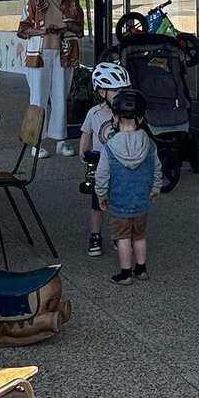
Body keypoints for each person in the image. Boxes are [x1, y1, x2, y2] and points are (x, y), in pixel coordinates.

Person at [93, 87, 161, 285]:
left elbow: (102, 175)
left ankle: (125, 273)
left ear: (115, 117)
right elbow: (157, 168)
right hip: (141, 202)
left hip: (119, 203)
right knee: (139, 237)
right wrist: (155, 188)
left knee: (123, 238)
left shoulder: (110, 147)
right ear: (140, 118)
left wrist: (101, 195)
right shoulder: (149, 144)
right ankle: (141, 269)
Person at [17, 0, 85, 159]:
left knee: (60, 97)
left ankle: (61, 140)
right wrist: (41, 30)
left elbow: (80, 30)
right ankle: (35, 143)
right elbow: (22, 29)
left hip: (64, 52)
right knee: (37, 98)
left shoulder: (72, 0)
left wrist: (70, 25)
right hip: (39, 52)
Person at [79, 61, 131, 257]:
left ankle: (119, 235)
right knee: (97, 204)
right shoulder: (94, 113)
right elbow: (86, 132)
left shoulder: (127, 112)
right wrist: (83, 151)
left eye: (124, 90)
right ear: (102, 93)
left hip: (121, 165)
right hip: (100, 166)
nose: (121, 94)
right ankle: (95, 235)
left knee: (119, 204)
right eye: (116, 91)